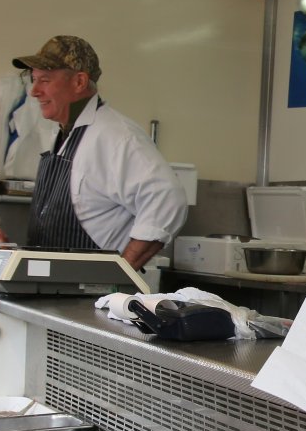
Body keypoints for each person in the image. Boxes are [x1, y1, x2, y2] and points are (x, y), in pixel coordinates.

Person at [11, 35, 187, 270]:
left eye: (44, 80)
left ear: (79, 82)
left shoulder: (115, 136)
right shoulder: (65, 134)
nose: (34, 91)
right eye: (33, 80)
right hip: (53, 288)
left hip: (91, 295)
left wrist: (121, 272)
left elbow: (167, 198)